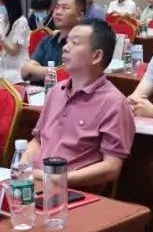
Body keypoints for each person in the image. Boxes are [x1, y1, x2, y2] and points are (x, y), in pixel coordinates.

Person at [22, 19, 134, 190]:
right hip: (36, 184)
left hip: (72, 192)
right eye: (67, 41)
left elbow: (111, 168)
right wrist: (22, 166)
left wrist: (57, 178)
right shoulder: (56, 91)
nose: (65, 48)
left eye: (75, 43)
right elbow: (38, 140)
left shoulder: (114, 103)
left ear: (96, 56)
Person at [21, 0, 86, 83]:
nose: (58, 12)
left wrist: (37, 72)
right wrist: (55, 72)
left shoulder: (84, 44)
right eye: (56, 7)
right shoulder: (47, 40)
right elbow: (25, 71)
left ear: (80, 16)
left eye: (65, 8)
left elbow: (68, 76)